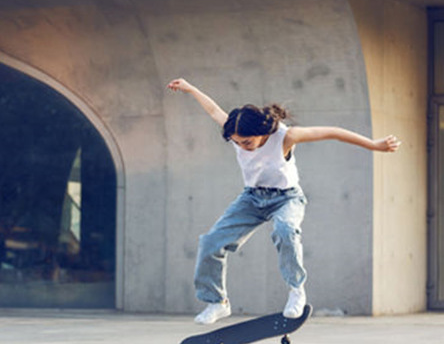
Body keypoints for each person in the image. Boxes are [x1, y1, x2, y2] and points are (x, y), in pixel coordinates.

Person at [167, 78, 399, 325]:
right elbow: (213, 109)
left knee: (285, 230)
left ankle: (296, 290)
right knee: (211, 242)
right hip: (252, 198)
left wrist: (375, 145)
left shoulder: (287, 136)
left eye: (246, 142)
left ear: (261, 132)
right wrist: (191, 88)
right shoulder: (235, 128)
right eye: (236, 143)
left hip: (287, 198)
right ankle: (217, 301)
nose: (242, 147)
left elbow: (333, 132)